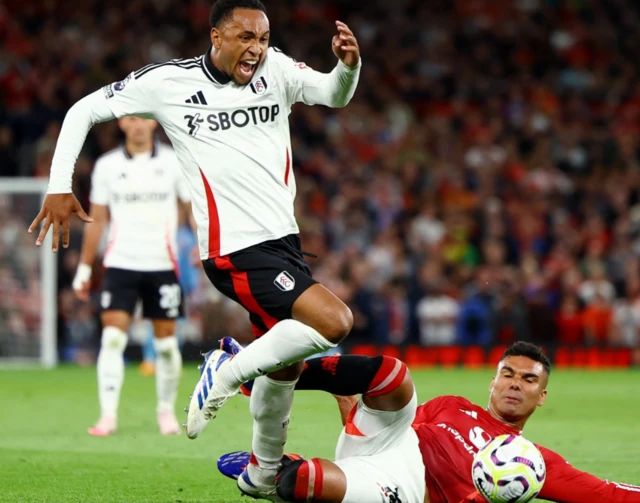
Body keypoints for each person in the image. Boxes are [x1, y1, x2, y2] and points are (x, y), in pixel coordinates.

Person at [28, 0, 360, 498]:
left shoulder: (278, 69)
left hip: (284, 242)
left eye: (264, 38)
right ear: (216, 36)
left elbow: (334, 95)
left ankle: (262, 473)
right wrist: (59, 184)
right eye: (245, 37)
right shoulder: (168, 83)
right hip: (234, 249)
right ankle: (226, 370)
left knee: (284, 367)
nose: (257, 48)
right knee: (334, 323)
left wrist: (348, 67)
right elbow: (83, 110)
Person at [217, 340, 640, 503]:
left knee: (303, 482)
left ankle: (275, 469)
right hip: (384, 448)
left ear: (541, 396)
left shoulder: (532, 462)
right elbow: (385, 427)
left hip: (405, 489)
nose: (515, 385)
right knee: (392, 375)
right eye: (508, 374)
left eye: (528, 380)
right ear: (492, 382)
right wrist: (345, 397)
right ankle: (267, 377)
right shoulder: (450, 404)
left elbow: (606, 493)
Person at [72, 116, 194, 436]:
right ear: (122, 123)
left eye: (145, 118)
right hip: (120, 262)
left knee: (167, 346)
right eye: (132, 118)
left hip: (162, 263)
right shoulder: (107, 166)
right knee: (112, 338)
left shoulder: (173, 161)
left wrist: (203, 246)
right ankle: (107, 416)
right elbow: (96, 220)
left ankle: (165, 412)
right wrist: (85, 268)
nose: (138, 124)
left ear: (155, 123)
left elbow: (191, 207)